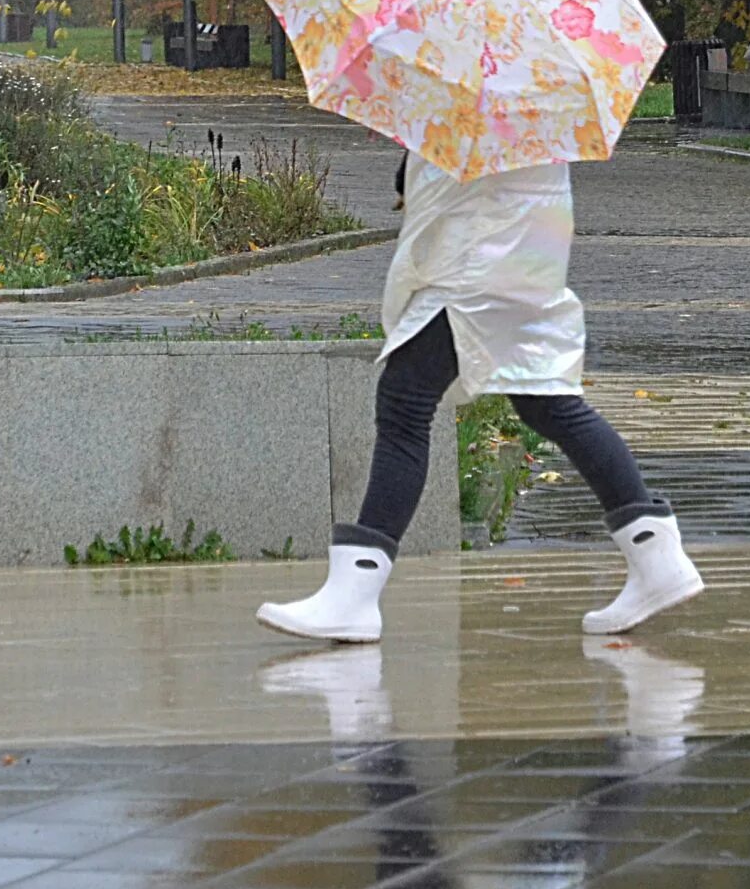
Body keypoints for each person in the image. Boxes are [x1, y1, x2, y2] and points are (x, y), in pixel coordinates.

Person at [258, 150, 703, 643]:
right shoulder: (532, 89)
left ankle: (354, 595)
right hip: (517, 249)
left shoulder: (484, 81)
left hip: (478, 259)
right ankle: (655, 555)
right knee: (544, 401)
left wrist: (414, 160)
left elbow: (458, 154)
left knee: (406, 402)